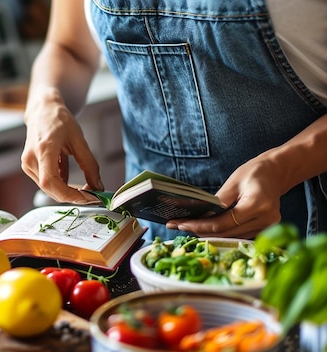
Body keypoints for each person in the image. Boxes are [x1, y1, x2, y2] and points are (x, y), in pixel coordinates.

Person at [21, 0, 327, 241]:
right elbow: (69, 48)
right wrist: (44, 103)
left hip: (305, 238)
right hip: (152, 236)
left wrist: (284, 166)